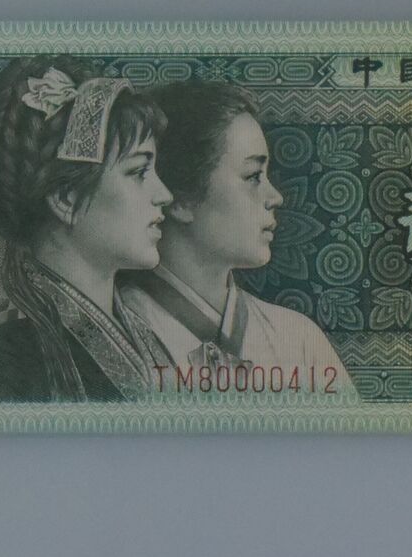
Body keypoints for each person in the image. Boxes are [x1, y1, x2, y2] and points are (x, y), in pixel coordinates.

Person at [0, 55, 177, 401]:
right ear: (67, 198)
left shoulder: (146, 338)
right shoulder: (2, 365)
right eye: (138, 171)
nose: (165, 195)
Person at [121, 82, 353, 396]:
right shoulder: (116, 333)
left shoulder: (299, 340)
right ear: (180, 200)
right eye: (253, 176)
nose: (275, 197)